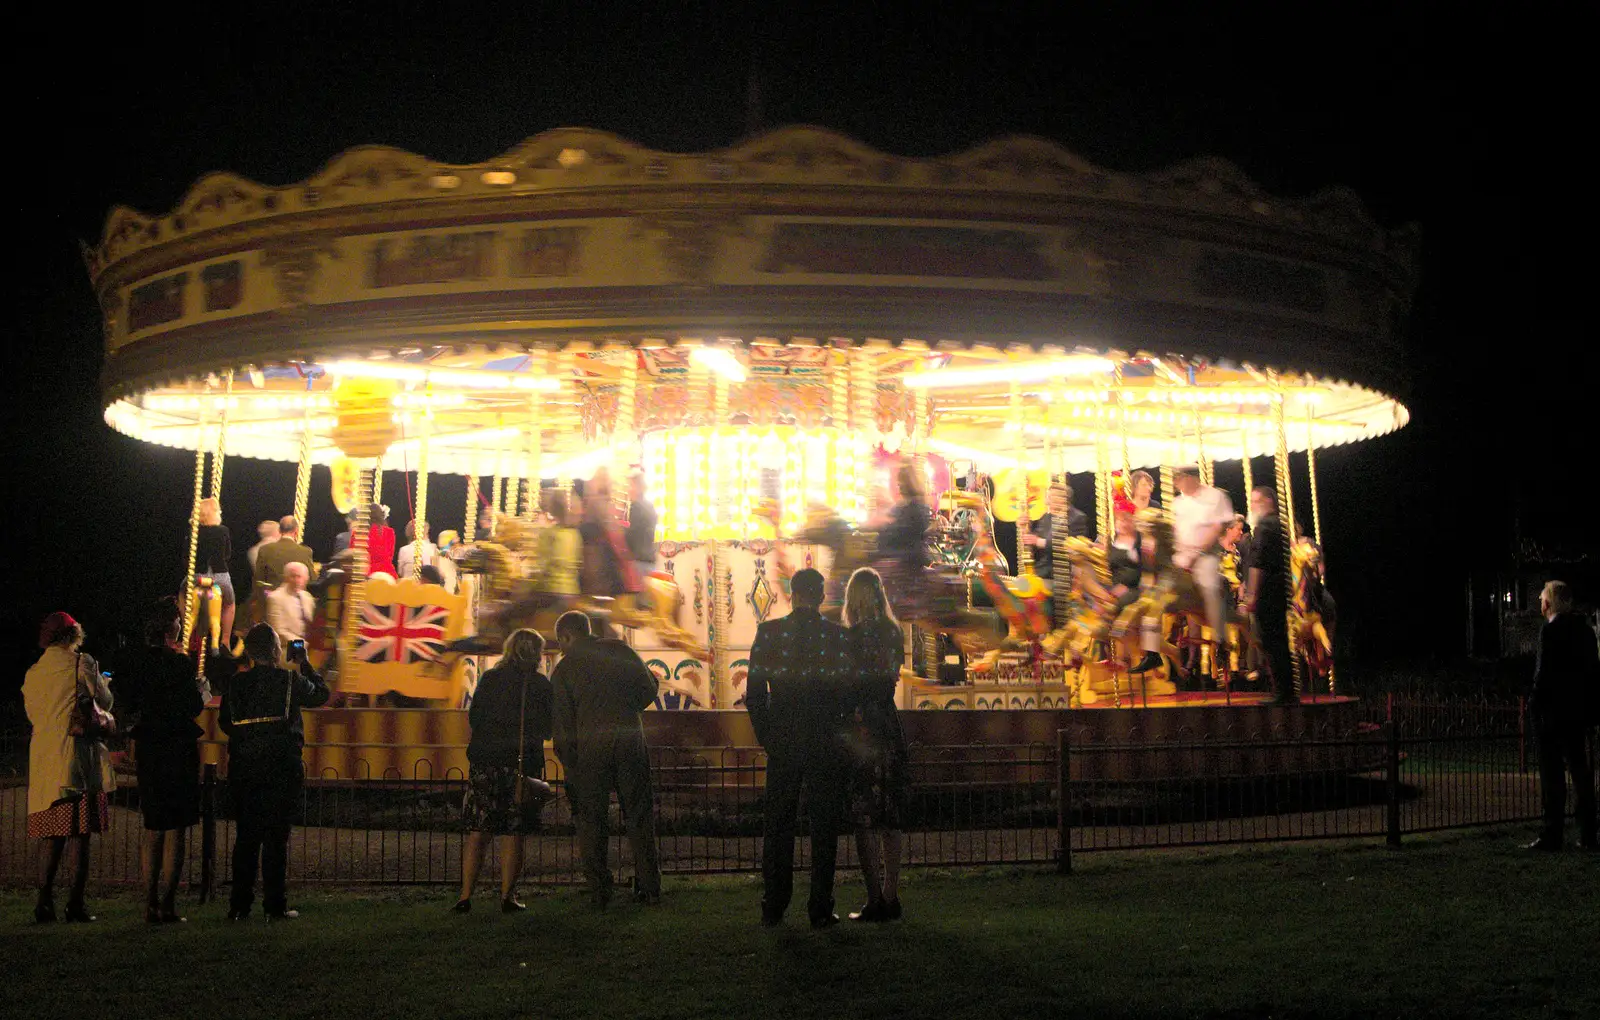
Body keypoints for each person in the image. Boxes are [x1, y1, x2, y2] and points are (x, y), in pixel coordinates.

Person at [745, 567, 854, 928]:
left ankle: (774, 903)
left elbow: (756, 694)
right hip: (824, 742)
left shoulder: (770, 633)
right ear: (821, 596)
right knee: (824, 827)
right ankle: (820, 906)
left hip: (785, 742)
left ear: (791, 594)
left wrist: (767, 736)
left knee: (778, 826)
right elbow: (848, 693)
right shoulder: (836, 637)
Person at [220, 623, 331, 921]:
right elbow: (321, 694)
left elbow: (226, 723)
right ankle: (274, 904)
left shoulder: (237, 685)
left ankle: (239, 905)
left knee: (245, 838)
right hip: (281, 765)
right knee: (275, 838)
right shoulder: (289, 680)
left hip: (245, 766)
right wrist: (305, 663)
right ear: (274, 650)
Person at [551, 611, 662, 908]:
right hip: (629, 742)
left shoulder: (563, 670)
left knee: (591, 820)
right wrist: (630, 710)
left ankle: (601, 890)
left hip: (589, 750)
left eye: (559, 642)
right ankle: (649, 886)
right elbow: (649, 687)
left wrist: (569, 761)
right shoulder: (621, 650)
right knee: (638, 814)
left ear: (566, 637)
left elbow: (562, 725)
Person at [118, 600, 208, 923]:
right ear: (171, 627)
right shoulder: (180, 665)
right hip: (177, 746)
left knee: (153, 826)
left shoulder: (138, 664)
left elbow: (127, 702)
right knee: (176, 828)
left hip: (150, 747)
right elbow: (194, 706)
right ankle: (168, 903)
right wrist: (201, 691)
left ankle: (150, 901)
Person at [23, 612, 114, 923]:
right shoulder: (82, 663)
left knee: (52, 835)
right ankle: (75, 903)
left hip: (45, 758)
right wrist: (102, 683)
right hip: (77, 757)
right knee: (80, 835)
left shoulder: (34, 672)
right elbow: (105, 700)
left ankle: (44, 900)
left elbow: (33, 714)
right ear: (73, 634)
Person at [456, 629, 554, 911]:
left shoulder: (490, 679)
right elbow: (547, 729)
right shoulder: (539, 685)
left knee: (479, 830)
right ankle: (507, 896)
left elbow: (475, 718)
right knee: (513, 831)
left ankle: (465, 896)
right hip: (520, 766)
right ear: (537, 653)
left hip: (486, 763)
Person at [840, 568, 908, 923]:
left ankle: (873, 899)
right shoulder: (894, 633)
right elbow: (892, 675)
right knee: (890, 812)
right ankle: (890, 893)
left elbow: (847, 682)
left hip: (863, 726)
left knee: (864, 814)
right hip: (888, 722)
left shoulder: (852, 638)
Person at [1525, 580, 1598, 851]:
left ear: (1548, 603)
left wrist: (1535, 703)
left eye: (1542, 599)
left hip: (1551, 715)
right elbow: (1592, 674)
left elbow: (1542, 675)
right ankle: (1588, 833)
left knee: (1552, 775)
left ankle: (1552, 832)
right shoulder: (1585, 632)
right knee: (1580, 772)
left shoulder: (1550, 632)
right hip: (1577, 713)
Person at [1171, 466, 1233, 654]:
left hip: (1205, 554)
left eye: (1178, 478)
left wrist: (1196, 552)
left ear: (1191, 477)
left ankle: (1219, 636)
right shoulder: (1177, 503)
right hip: (1181, 555)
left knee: (1209, 586)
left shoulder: (1215, 497)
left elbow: (1217, 528)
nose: (1175, 482)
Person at [1245, 486, 1294, 704]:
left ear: (1267, 501)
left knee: (1272, 641)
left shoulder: (1265, 526)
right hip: (1279, 589)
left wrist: (1252, 595)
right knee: (1277, 641)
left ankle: (1283, 692)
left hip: (1268, 591)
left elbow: (1258, 563)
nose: (1252, 505)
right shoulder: (1279, 524)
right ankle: (1285, 690)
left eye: (1256, 501)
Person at [1026, 480, 1089, 580]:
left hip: (1065, 571)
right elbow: (1034, 540)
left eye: (1051, 497)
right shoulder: (1046, 517)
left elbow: (1070, 547)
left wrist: (1040, 542)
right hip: (1043, 570)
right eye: (1048, 497)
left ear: (1063, 498)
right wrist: (1025, 528)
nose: (1047, 501)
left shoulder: (1077, 518)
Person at [195, 497, 237, 639]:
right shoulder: (223, 530)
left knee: (183, 596)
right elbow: (227, 554)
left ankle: (187, 634)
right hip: (219, 575)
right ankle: (225, 639)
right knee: (230, 604)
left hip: (198, 574)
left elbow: (186, 556)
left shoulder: (194, 531)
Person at [254, 515, 315, 593]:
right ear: (296, 531)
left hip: (271, 599)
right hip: (296, 600)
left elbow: (259, 580)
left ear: (279, 530)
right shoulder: (305, 551)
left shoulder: (265, 550)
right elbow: (312, 579)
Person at [264, 561, 316, 649]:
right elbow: (279, 631)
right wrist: (303, 645)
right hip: (288, 647)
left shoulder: (307, 596)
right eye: (293, 576)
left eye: (299, 576)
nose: (296, 580)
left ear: (306, 579)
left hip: (308, 646)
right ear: (286, 578)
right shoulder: (276, 598)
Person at [625, 472, 658, 605]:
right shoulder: (650, 507)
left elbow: (631, 535)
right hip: (650, 561)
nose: (628, 489)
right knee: (647, 604)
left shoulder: (636, 506)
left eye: (630, 485)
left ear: (637, 487)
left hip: (638, 561)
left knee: (636, 606)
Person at [359, 503, 397, 578]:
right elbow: (390, 555)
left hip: (365, 574)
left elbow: (354, 555)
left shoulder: (357, 533)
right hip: (386, 573)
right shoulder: (389, 532)